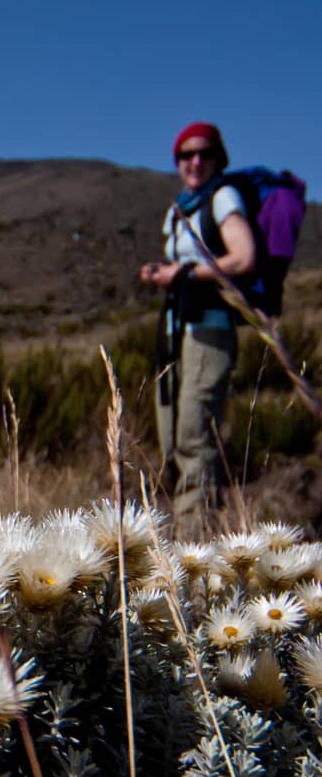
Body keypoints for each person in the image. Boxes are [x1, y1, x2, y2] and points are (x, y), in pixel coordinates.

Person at [139, 122, 256, 536]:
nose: (195, 161)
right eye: (186, 155)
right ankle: (180, 536)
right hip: (175, 334)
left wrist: (184, 272)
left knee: (194, 440)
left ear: (218, 159)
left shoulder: (223, 199)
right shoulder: (181, 209)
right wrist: (163, 274)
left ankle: (195, 552)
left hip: (210, 332)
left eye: (204, 153)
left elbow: (243, 257)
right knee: (171, 443)